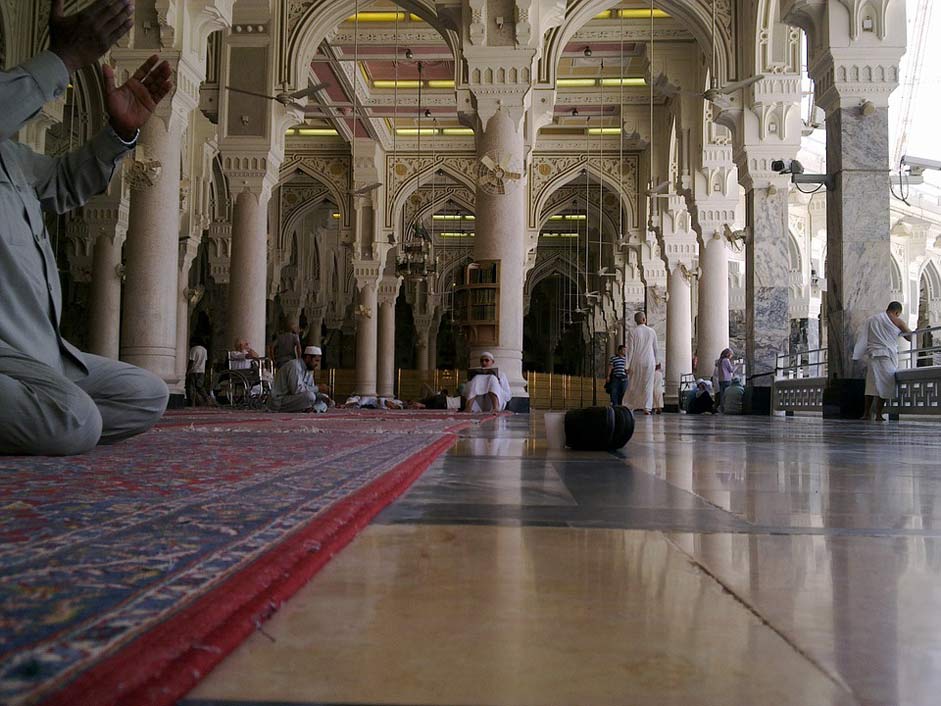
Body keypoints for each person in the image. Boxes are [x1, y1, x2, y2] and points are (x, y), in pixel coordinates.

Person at [0, 1, 174, 456]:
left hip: (34, 349)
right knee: (75, 420)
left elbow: (60, 182)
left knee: (145, 395)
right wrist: (64, 59)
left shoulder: (10, 158)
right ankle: (53, 413)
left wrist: (118, 134)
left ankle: (45, 409)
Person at [853, 301, 913, 421]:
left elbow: (864, 337)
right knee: (886, 385)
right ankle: (879, 414)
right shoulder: (897, 321)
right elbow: (910, 337)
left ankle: (866, 413)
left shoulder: (872, 319)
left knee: (870, 386)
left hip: (873, 356)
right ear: (897, 312)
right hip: (886, 357)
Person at [268, 346, 332, 413]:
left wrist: (323, 397)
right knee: (310, 397)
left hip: (293, 399)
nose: (317, 364)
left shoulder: (309, 370)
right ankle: (312, 408)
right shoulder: (294, 366)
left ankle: (314, 409)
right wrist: (318, 388)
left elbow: (310, 389)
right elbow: (297, 390)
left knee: (323, 397)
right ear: (308, 358)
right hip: (279, 400)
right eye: (316, 361)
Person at [623, 312, 659, 415]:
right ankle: (647, 408)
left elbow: (630, 350)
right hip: (649, 361)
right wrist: (657, 362)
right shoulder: (651, 331)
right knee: (648, 384)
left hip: (636, 361)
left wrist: (627, 365)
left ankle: (629, 405)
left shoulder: (632, 332)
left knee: (633, 384)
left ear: (636, 321)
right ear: (644, 319)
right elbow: (655, 348)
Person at [186, 340, 211, 406]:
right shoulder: (204, 350)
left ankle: (191, 403)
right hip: (202, 371)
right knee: (199, 386)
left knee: (191, 387)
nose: (190, 344)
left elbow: (191, 361)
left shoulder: (193, 349)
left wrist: (188, 371)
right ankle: (206, 398)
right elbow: (205, 361)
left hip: (194, 371)